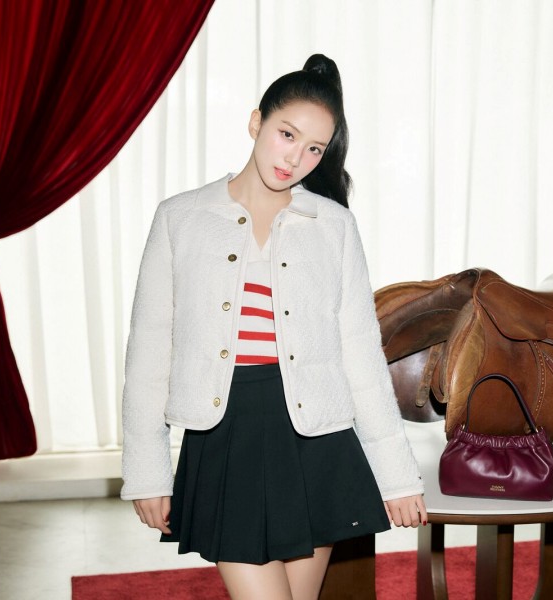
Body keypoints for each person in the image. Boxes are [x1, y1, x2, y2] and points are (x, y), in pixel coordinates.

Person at [120, 54, 427, 600]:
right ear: (256, 122)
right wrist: (147, 470)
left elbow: (359, 354)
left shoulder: (333, 225)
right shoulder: (180, 217)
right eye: (287, 134)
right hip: (226, 434)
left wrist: (398, 475)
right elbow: (148, 353)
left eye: (315, 149)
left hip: (318, 439)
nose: (296, 158)